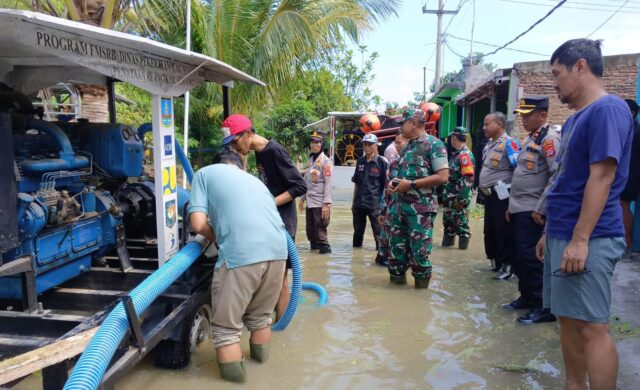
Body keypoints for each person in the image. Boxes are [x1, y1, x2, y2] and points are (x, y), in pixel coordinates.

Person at [535, 39, 632, 389]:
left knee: (592, 326)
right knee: (568, 320)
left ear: (580, 66)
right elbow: (566, 180)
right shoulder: (577, 118)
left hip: (590, 236)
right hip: (566, 232)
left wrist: (579, 239)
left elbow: (602, 176)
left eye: (557, 74)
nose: (554, 83)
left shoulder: (608, 109)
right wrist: (552, 232)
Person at [188, 150, 287, 383]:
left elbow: (198, 223)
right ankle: (263, 377)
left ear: (217, 164)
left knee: (225, 330)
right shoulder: (254, 180)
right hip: (278, 252)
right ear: (239, 166)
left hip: (242, 253)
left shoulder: (203, 174)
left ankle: (236, 384)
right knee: (261, 319)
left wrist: (217, 238)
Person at [221, 114, 307, 321]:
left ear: (248, 133)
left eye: (234, 140)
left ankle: (282, 325)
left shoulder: (274, 151)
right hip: (267, 221)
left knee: (281, 280)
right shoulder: (259, 153)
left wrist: (268, 204)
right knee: (267, 277)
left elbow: (300, 186)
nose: (233, 147)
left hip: (282, 224)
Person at [503, 96, 560, 325]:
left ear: (543, 115)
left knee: (532, 258)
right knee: (519, 257)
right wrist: (511, 206)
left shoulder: (549, 139)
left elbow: (556, 175)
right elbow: (521, 175)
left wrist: (542, 207)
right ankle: (527, 297)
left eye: (528, 115)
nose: (523, 119)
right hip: (519, 208)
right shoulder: (530, 139)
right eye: (522, 115)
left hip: (533, 210)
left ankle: (542, 306)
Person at [387, 108, 449, 288]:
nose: (400, 128)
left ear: (413, 123)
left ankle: (421, 303)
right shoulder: (408, 147)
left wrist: (412, 185)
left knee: (420, 256)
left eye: (402, 123)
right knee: (395, 256)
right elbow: (404, 176)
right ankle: (398, 301)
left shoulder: (434, 145)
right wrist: (394, 185)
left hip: (420, 212)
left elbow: (443, 176)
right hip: (399, 210)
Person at [478, 112, 520, 280]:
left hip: (504, 196)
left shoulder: (510, 144)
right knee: (490, 230)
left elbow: (519, 171)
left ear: (500, 124)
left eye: (487, 124)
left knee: (504, 230)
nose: (484, 128)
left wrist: (515, 199)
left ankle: (508, 265)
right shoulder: (489, 145)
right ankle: (495, 260)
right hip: (490, 195)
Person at [376, 132, 409, 266]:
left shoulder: (415, 163)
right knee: (383, 241)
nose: (396, 146)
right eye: (395, 143)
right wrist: (382, 211)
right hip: (391, 209)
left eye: (399, 142)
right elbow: (386, 189)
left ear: (408, 142)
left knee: (401, 245)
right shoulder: (394, 163)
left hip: (407, 211)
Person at [351, 133, 388, 249]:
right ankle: (355, 258)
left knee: (378, 234)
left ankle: (381, 256)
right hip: (359, 204)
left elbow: (386, 186)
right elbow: (356, 183)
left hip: (374, 205)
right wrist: (353, 204)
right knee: (357, 234)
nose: (367, 147)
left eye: (370, 144)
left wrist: (383, 208)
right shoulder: (360, 162)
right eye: (365, 144)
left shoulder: (382, 162)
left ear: (376, 145)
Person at [441, 127, 475, 250]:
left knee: (462, 227)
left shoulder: (464, 156)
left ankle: (462, 251)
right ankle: (447, 250)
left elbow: (468, 179)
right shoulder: (456, 154)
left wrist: (461, 199)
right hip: (450, 198)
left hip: (458, 199)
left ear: (454, 137)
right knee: (449, 226)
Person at [299, 130, 333, 254]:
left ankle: (324, 261)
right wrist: (302, 198)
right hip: (310, 202)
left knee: (320, 234)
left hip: (320, 203)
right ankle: (313, 261)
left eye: (317, 142)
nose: (313, 145)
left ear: (322, 144)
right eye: (312, 142)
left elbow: (328, 184)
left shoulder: (325, 161)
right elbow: (306, 180)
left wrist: (326, 204)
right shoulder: (311, 159)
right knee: (311, 233)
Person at [621, 99, 640, 258]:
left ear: (632, 113)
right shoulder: (628, 129)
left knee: (623, 205)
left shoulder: (635, 130)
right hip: (625, 175)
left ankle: (627, 241)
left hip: (631, 176)